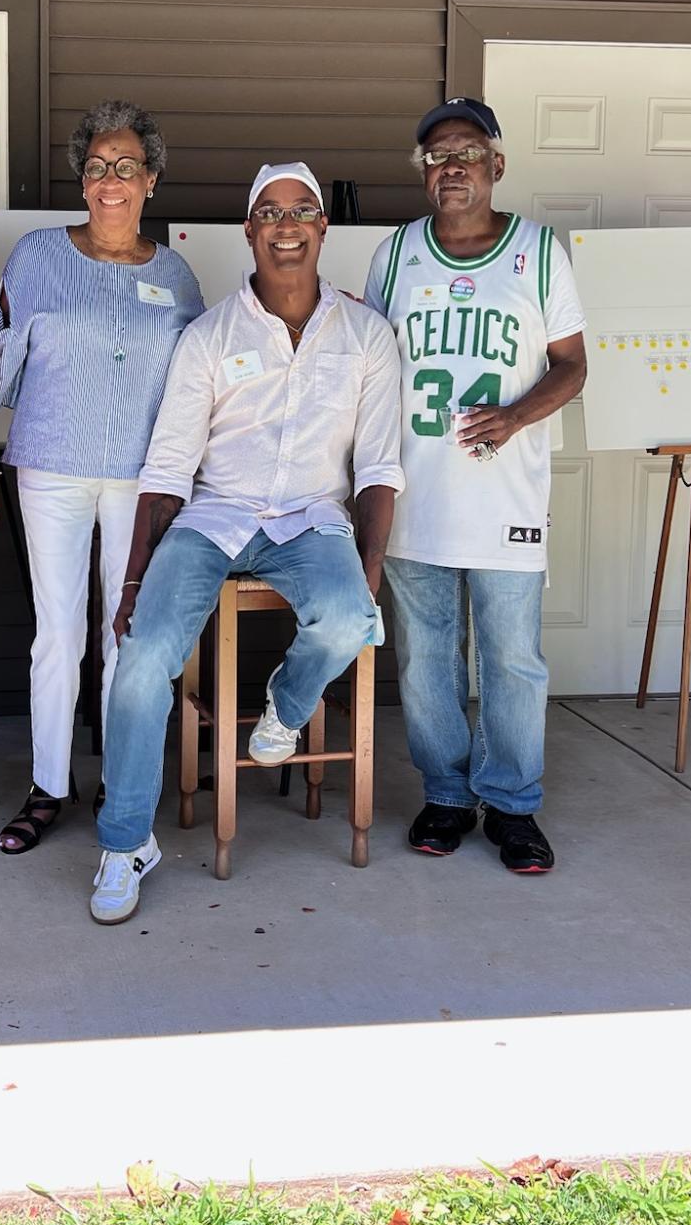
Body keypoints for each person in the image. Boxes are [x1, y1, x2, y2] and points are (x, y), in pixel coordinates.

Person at [90, 163, 404, 924]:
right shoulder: (209, 335)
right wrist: (132, 583)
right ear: (249, 230)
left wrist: (367, 573)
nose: (285, 226)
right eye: (269, 212)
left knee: (349, 617)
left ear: (322, 227)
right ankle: (125, 843)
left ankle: (284, 708)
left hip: (311, 518)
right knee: (141, 659)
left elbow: (378, 466)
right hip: (215, 517)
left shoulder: (366, 334)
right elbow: (169, 467)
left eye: (300, 211)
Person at [363, 97, 588, 875]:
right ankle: (447, 796)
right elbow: (369, 370)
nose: (450, 166)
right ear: (423, 173)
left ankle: (513, 805)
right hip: (415, 497)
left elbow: (572, 365)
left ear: (496, 164)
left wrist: (515, 415)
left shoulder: (539, 251)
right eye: (435, 156)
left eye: (465, 152)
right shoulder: (394, 254)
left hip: (505, 498)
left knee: (511, 659)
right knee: (426, 660)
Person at [0, 101, 204, 854]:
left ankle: (121, 777)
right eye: (98, 167)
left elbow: (196, 381)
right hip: (51, 462)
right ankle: (48, 785)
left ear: (150, 180)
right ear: (83, 180)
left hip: (143, 476)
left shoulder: (175, 274)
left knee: (127, 631)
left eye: (126, 166)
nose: (112, 180)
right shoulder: (37, 254)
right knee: (57, 632)